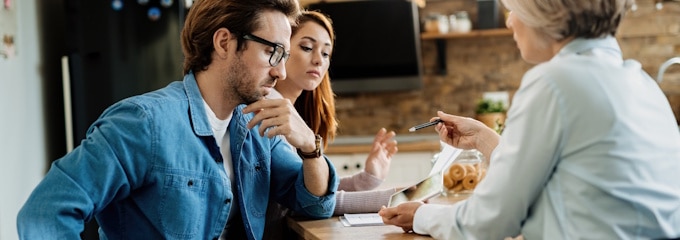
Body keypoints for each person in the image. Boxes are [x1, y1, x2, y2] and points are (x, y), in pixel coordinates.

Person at [17, 0, 339, 239]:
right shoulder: (143, 123)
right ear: (224, 42)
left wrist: (310, 145)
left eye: (284, 56)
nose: (281, 71)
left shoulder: (256, 125)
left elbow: (314, 204)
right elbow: (45, 214)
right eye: (273, 52)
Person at [379, 0, 680, 239]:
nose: (510, 21)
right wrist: (484, 138)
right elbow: (569, 175)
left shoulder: (554, 82)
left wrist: (421, 216)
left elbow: (489, 222)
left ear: (546, 14)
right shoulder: (641, 82)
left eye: (514, 10)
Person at [262, 10, 399, 239]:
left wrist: (367, 178)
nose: (318, 60)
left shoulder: (293, 116)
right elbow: (312, 203)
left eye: (326, 53)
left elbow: (316, 192)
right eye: (307, 47)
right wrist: (396, 198)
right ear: (281, 48)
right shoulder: (269, 112)